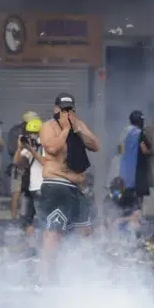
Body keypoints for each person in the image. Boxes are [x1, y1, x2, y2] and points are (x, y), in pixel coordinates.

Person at [37, 92, 100, 280]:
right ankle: (46, 276)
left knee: (84, 231)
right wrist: (64, 129)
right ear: (55, 108)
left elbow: (95, 145)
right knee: (54, 232)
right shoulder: (48, 126)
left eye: (69, 109)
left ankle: (78, 273)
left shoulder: (78, 125)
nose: (66, 112)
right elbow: (52, 148)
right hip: (56, 184)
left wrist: (77, 129)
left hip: (76, 187)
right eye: (62, 109)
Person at [11, 117, 43, 256]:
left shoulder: (46, 145)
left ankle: (43, 248)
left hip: (44, 188)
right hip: (32, 188)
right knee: (28, 220)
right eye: (29, 133)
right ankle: (32, 247)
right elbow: (17, 162)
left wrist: (31, 148)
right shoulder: (30, 147)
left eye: (35, 133)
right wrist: (20, 147)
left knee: (44, 221)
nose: (32, 136)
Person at [118, 110, 153, 215]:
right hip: (138, 171)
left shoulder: (123, 132)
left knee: (126, 197)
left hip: (124, 171)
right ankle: (136, 219)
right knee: (138, 199)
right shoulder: (139, 133)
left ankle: (125, 217)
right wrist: (152, 152)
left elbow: (119, 150)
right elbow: (145, 150)